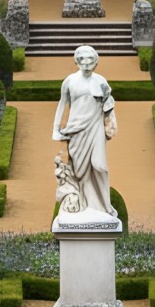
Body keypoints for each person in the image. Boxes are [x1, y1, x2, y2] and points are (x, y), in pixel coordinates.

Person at [52, 44, 117, 216]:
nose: (86, 63)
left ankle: (105, 206)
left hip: (95, 128)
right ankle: (84, 203)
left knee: (100, 165)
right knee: (78, 171)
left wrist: (111, 125)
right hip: (75, 130)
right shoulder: (70, 81)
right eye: (82, 60)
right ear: (77, 61)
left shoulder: (101, 81)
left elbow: (109, 105)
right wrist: (56, 129)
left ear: (96, 62)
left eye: (90, 60)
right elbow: (62, 104)